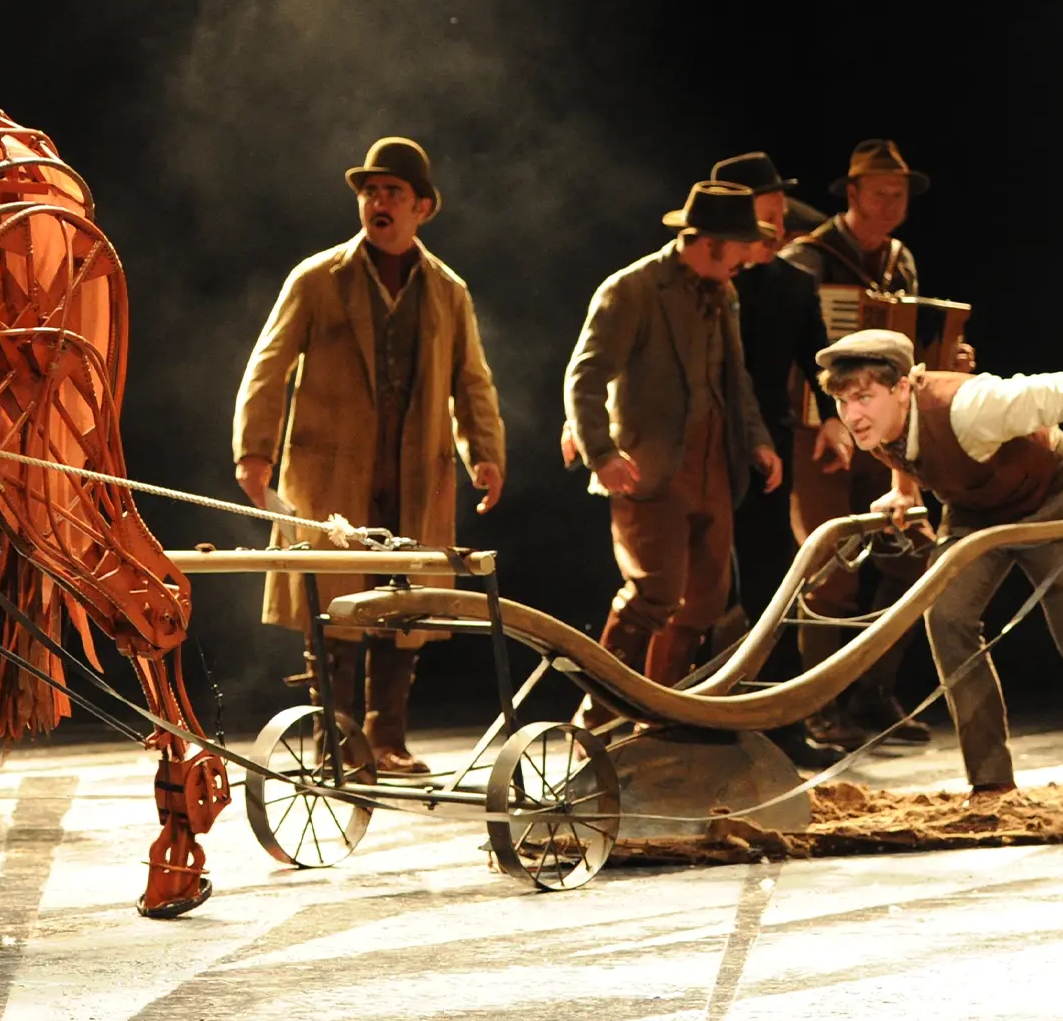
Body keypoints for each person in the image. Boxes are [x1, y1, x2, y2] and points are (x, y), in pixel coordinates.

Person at [816, 329, 1063, 796]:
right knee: (948, 621)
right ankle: (991, 784)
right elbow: (906, 443)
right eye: (843, 402)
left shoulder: (972, 406)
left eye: (863, 398)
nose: (852, 414)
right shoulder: (879, 417)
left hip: (1050, 495)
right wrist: (905, 490)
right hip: (974, 509)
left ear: (901, 388)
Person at [232, 137, 508, 775]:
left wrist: (484, 454)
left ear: (423, 208)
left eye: (393, 193)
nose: (378, 203)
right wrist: (254, 452)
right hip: (331, 468)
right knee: (332, 610)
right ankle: (339, 741)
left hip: (417, 469)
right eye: (370, 192)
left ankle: (387, 738)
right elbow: (267, 367)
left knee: (403, 604)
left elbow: (473, 380)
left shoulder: (446, 290)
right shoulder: (318, 277)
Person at [563, 182, 783, 686]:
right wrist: (601, 452)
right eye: (739, 247)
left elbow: (735, 378)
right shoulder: (633, 289)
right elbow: (586, 375)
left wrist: (758, 440)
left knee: (705, 599)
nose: (745, 260)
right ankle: (600, 714)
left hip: (713, 465)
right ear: (710, 243)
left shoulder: (724, 294)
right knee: (654, 593)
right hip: (654, 463)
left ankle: (662, 716)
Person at [780, 138, 933, 746]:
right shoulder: (809, 257)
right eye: (880, 193)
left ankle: (873, 696)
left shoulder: (901, 260)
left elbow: (911, 346)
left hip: (887, 438)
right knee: (831, 571)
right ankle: (816, 706)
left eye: (899, 194)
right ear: (852, 194)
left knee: (914, 558)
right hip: (817, 432)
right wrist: (826, 416)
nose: (892, 204)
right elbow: (796, 355)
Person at [707, 154, 843, 768]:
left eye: (780, 217)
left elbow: (820, 359)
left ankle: (781, 720)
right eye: (767, 216)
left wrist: (836, 415)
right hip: (706, 448)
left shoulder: (792, 284)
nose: (779, 227)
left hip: (768, 455)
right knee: (705, 583)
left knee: (774, 580)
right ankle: (695, 708)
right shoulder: (707, 278)